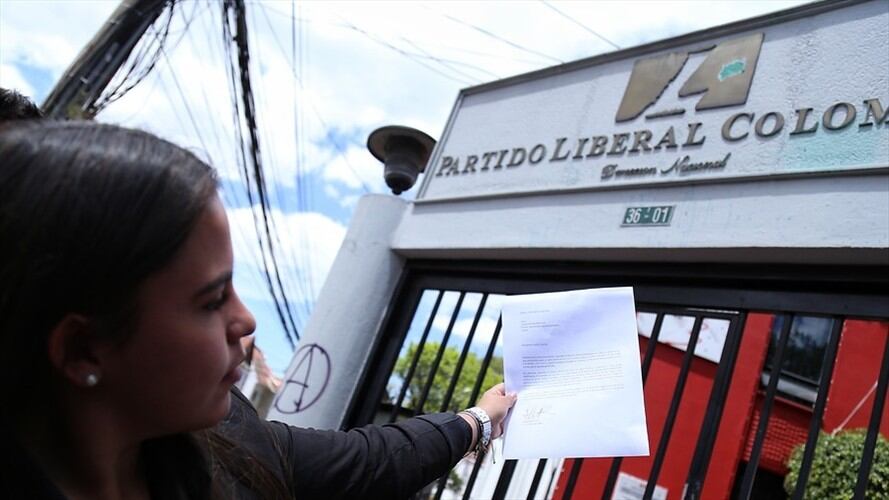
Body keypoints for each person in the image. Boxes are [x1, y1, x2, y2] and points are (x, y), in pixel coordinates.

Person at [0, 120, 517, 500]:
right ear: (83, 348)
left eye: (234, 287)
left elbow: (370, 459)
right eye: (211, 300)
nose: (247, 323)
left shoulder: (228, 445)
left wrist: (479, 418)